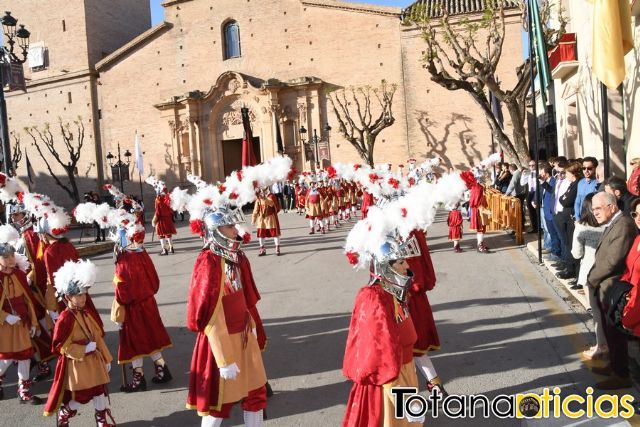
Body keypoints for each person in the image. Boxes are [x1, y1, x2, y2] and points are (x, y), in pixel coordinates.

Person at [186, 205, 267, 427]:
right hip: (221, 341)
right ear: (215, 230)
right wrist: (223, 359)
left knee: (255, 394)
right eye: (230, 226)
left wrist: (251, 324)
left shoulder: (235, 256)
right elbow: (210, 313)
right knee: (219, 402)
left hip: (243, 335)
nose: (235, 230)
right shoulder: (208, 261)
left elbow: (243, 297)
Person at [342, 234, 424, 426]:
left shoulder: (392, 293)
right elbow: (380, 357)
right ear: (385, 266)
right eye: (401, 262)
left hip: (404, 373)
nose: (407, 267)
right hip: (389, 384)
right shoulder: (374, 298)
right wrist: (402, 397)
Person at [44, 260, 116, 427]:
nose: (83, 298)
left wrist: (106, 358)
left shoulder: (85, 312)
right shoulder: (64, 319)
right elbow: (61, 346)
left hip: (94, 361)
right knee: (83, 396)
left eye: (84, 294)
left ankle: (101, 421)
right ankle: (65, 412)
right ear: (68, 296)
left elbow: (97, 336)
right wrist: (84, 349)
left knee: (99, 391)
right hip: (78, 363)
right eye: (79, 295)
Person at [110, 214, 173, 392]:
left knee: (135, 343)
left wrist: (120, 304)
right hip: (149, 303)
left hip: (133, 307)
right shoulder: (143, 254)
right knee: (151, 338)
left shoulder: (123, 261)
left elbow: (122, 291)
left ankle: (139, 378)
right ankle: (162, 368)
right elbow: (155, 281)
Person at [587, 192, 638, 390]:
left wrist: (592, 279)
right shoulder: (616, 222)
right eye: (593, 209)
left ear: (612, 207)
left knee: (616, 333)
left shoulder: (624, 224)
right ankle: (615, 366)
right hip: (605, 285)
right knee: (610, 331)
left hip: (613, 286)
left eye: (598, 209)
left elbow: (613, 261)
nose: (595, 213)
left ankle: (621, 373)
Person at [0, 224, 43, 404]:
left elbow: (28, 300)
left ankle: (23, 390)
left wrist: (34, 323)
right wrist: (5, 317)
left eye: (11, 256)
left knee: (25, 356)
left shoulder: (18, 274)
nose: (10, 259)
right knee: (6, 358)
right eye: (5, 257)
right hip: (5, 325)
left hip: (22, 322)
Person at [571, 194, 607, 359]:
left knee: (596, 312)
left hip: (589, 273)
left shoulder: (581, 226)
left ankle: (601, 345)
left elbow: (576, 254)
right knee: (607, 310)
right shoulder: (609, 225)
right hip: (608, 271)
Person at [555, 162, 582, 280]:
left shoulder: (576, 184)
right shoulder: (572, 184)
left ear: (573, 173)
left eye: (566, 173)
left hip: (572, 219)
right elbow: (562, 198)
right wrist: (564, 198)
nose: (565, 175)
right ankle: (570, 268)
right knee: (568, 244)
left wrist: (564, 198)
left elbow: (566, 200)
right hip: (566, 218)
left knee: (573, 246)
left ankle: (574, 272)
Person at [147, 177, 177, 256]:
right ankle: (171, 247)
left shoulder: (158, 199)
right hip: (168, 218)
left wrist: (154, 220)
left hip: (161, 219)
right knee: (168, 234)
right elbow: (171, 210)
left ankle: (164, 249)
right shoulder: (168, 199)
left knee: (161, 235)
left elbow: (157, 212)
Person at [539, 163, 561, 260]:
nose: (540, 175)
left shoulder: (552, 181)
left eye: (542, 173)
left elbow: (552, 191)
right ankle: (553, 251)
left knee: (554, 233)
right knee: (551, 232)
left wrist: (543, 182)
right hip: (546, 210)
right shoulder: (545, 181)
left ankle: (556, 253)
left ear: (547, 174)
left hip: (551, 212)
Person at [252, 187, 282, 256]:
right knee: (261, 234)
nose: (263, 189)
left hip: (271, 218)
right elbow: (256, 210)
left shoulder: (272, 196)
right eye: (262, 188)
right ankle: (262, 249)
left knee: (275, 233)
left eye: (264, 188)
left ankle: (277, 248)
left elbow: (272, 204)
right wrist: (253, 219)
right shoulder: (259, 198)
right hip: (261, 219)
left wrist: (264, 198)